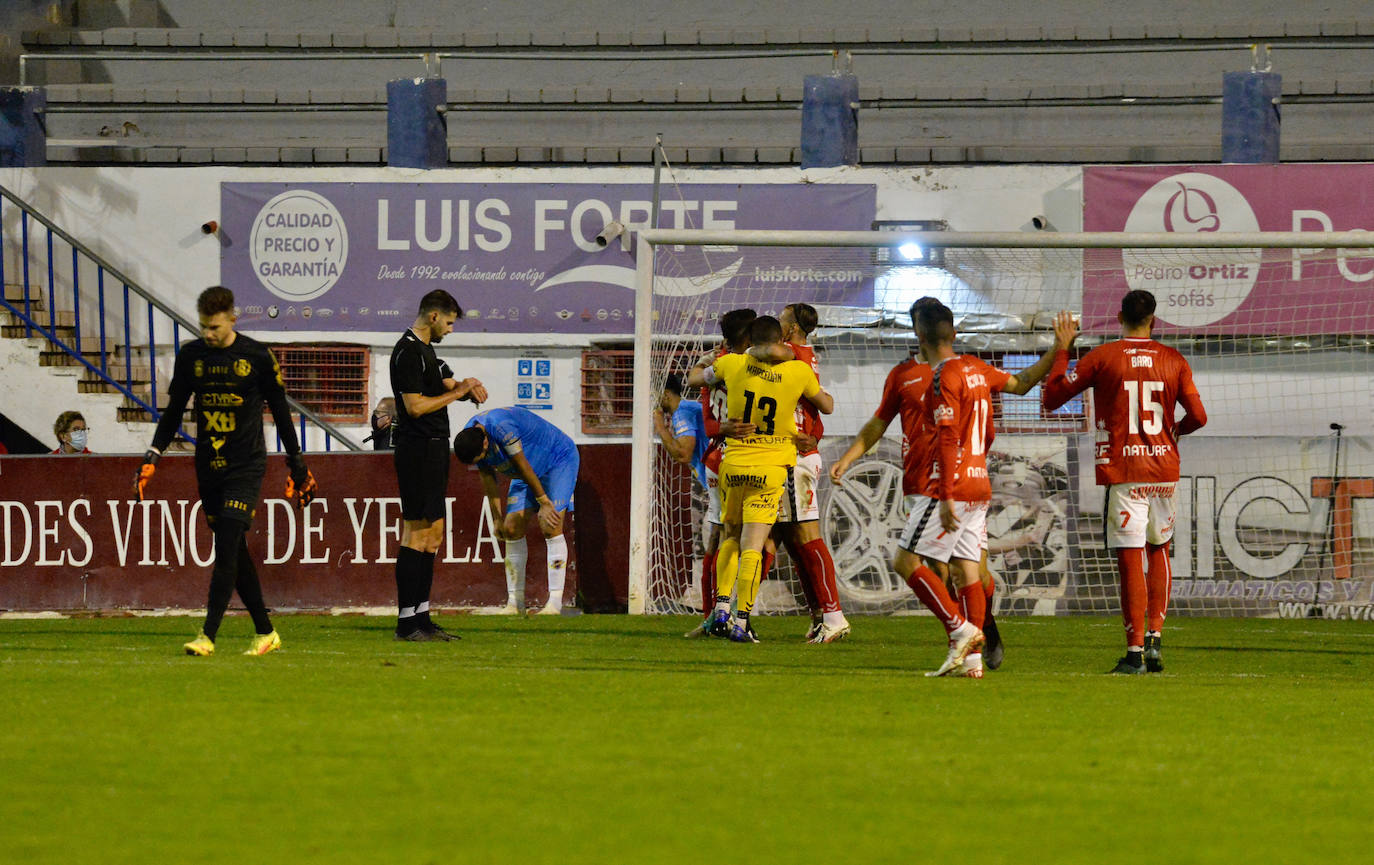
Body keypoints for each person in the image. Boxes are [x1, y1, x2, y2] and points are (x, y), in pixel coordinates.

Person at [133, 286, 316, 657]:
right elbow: (173, 413)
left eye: (214, 327)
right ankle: (265, 632)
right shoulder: (191, 356)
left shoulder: (257, 356)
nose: (208, 334)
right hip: (209, 465)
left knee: (227, 543)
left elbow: (281, 412)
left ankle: (208, 634)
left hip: (246, 464)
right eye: (203, 326)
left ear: (233, 318)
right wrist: (154, 454)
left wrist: (297, 464)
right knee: (234, 549)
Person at [829, 298, 1000, 668]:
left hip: (956, 486)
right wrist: (849, 456)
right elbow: (879, 422)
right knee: (943, 570)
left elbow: (985, 430)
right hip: (918, 483)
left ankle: (981, 628)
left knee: (969, 570)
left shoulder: (967, 371)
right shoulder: (903, 375)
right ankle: (967, 654)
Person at [1043, 289, 1207, 674]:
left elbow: (1052, 398)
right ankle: (1155, 638)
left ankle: (1133, 653)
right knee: (1160, 548)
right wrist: (1174, 432)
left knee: (1130, 555)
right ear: (1155, 320)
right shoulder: (1173, 359)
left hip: (1125, 471)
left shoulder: (1104, 357)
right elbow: (1199, 416)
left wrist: (1064, 348)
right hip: (1164, 470)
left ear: (1119, 317)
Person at [687, 315, 834, 642]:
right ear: (780, 342)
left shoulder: (733, 365)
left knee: (729, 537)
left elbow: (696, 377)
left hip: (734, 463)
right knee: (754, 545)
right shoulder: (798, 371)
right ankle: (741, 621)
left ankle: (720, 607)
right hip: (771, 469)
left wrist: (707, 360)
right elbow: (827, 405)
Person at [390, 290, 487, 641]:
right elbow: (414, 407)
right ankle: (405, 623)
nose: (450, 329)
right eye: (448, 322)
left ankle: (422, 618)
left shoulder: (428, 352)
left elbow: (449, 384)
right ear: (433, 317)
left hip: (434, 450)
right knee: (416, 534)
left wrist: (468, 385)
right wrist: (458, 394)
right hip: (416, 451)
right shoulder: (406, 352)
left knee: (433, 536)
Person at [453, 406, 580, 616]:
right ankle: (514, 603)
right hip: (524, 472)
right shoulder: (471, 435)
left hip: (557, 461)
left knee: (550, 525)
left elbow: (522, 465)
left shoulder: (502, 427)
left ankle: (555, 604)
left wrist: (544, 502)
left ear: (486, 442)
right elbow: (488, 478)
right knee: (511, 529)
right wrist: (496, 519)